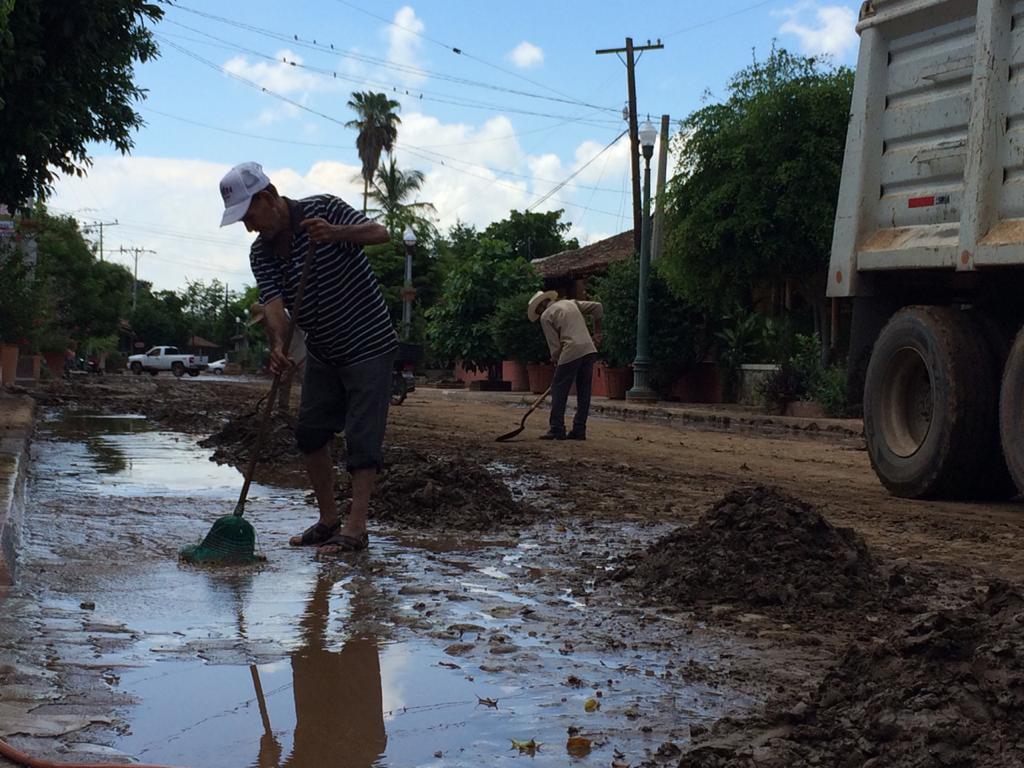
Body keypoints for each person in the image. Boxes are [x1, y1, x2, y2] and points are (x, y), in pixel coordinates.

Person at [219, 161, 396, 555]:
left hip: (368, 341)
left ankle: (356, 528)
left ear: (269, 197)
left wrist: (336, 233)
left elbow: (380, 233)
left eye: (250, 216)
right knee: (310, 433)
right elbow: (275, 306)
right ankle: (329, 519)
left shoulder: (325, 210)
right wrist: (279, 345)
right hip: (322, 347)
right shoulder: (260, 255)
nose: (249, 227)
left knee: (362, 438)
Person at [527, 290, 603, 440]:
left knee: (558, 390)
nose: (539, 313)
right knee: (584, 390)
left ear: (541, 306)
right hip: (589, 349)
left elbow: (555, 347)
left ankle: (557, 428)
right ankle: (579, 429)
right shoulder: (571, 302)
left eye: (537, 310)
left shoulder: (546, 316)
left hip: (571, 350)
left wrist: (555, 360)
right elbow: (598, 307)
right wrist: (597, 333)